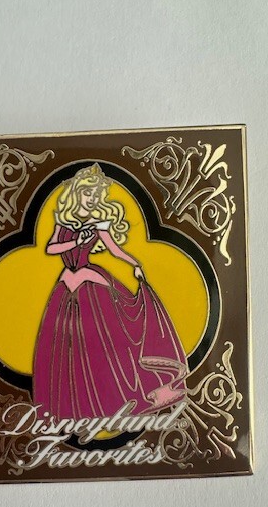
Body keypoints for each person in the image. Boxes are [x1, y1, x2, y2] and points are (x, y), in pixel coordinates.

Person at [33, 163, 188, 420]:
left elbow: (115, 250)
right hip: (66, 285)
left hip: (90, 283)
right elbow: (51, 248)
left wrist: (136, 265)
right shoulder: (62, 221)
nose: (92, 199)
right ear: (77, 193)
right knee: (67, 347)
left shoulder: (99, 224)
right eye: (87, 193)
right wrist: (76, 241)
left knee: (103, 341)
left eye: (96, 195)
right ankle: (74, 407)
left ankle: (111, 398)